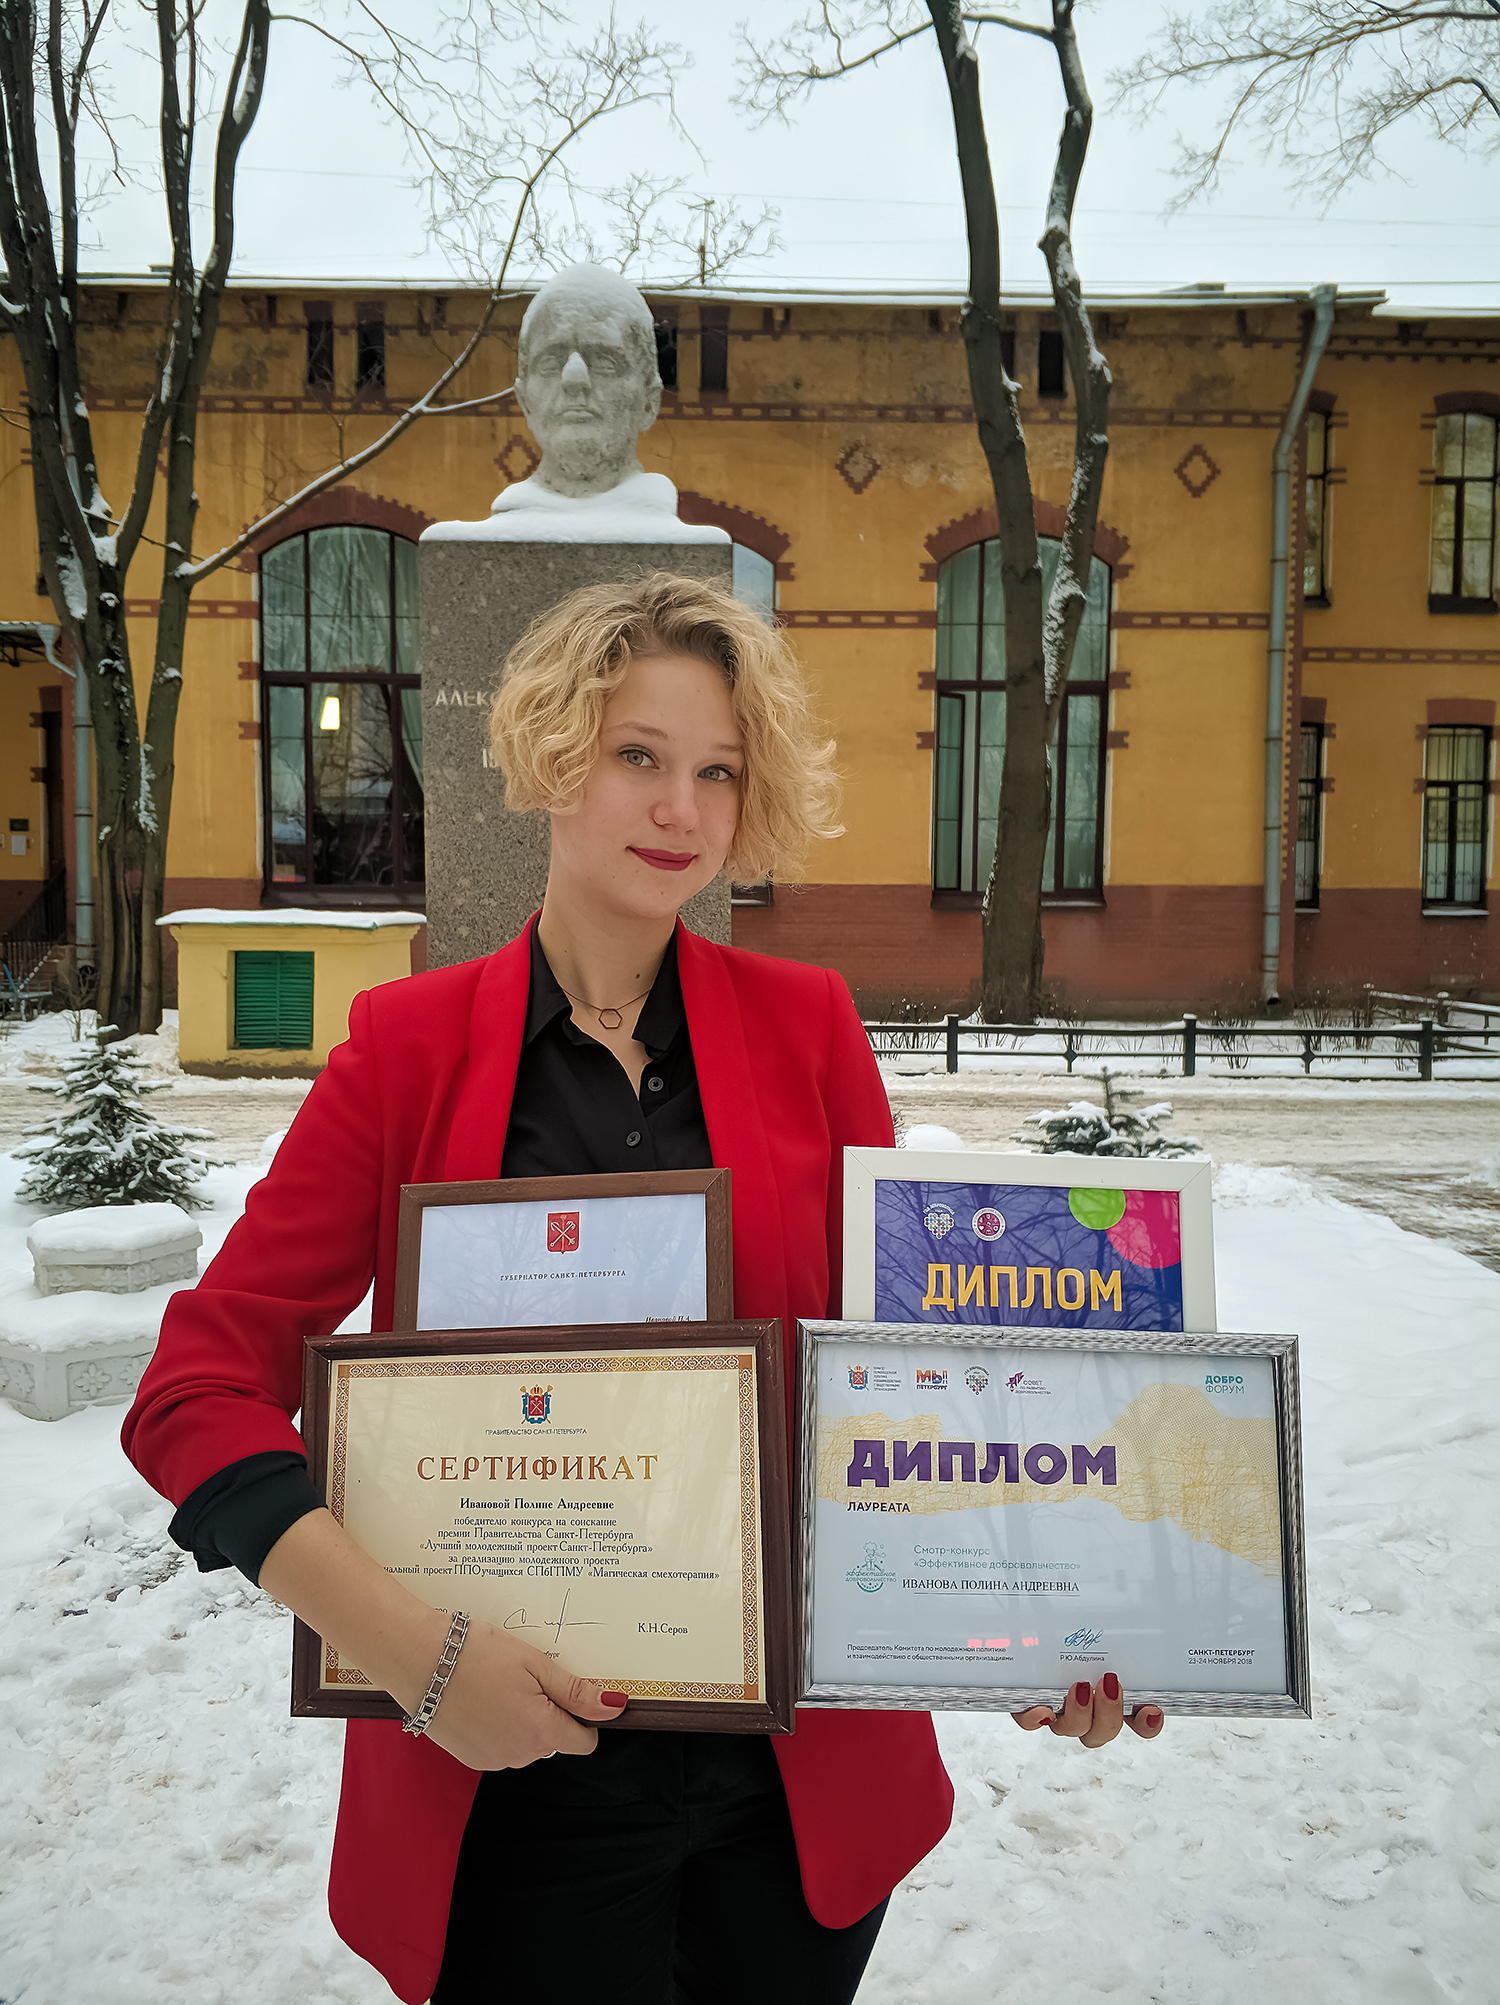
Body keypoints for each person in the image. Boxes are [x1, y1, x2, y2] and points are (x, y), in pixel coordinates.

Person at [122, 573, 1161, 2005]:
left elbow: (906, 1382)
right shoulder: (406, 1051)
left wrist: (1053, 1614)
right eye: (638, 755)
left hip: (785, 1799)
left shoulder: (808, 1030)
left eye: (719, 771)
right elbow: (194, 1392)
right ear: (555, 755)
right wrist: (419, 1658)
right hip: (512, 1783)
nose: (682, 807)